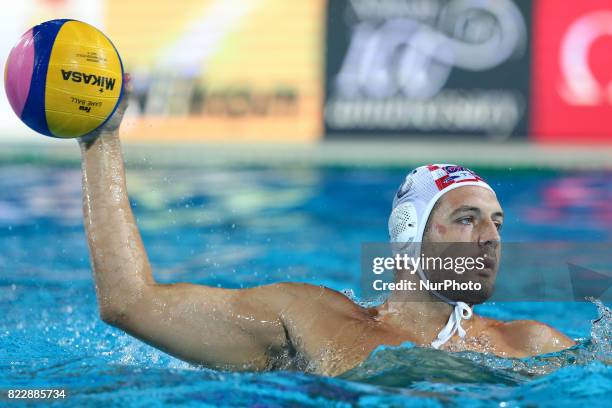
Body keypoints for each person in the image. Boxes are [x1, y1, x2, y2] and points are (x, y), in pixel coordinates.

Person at [78, 76, 575, 377]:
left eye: (497, 223)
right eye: (466, 219)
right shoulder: (312, 320)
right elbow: (130, 303)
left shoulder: (527, 344)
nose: (490, 237)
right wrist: (102, 138)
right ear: (408, 240)